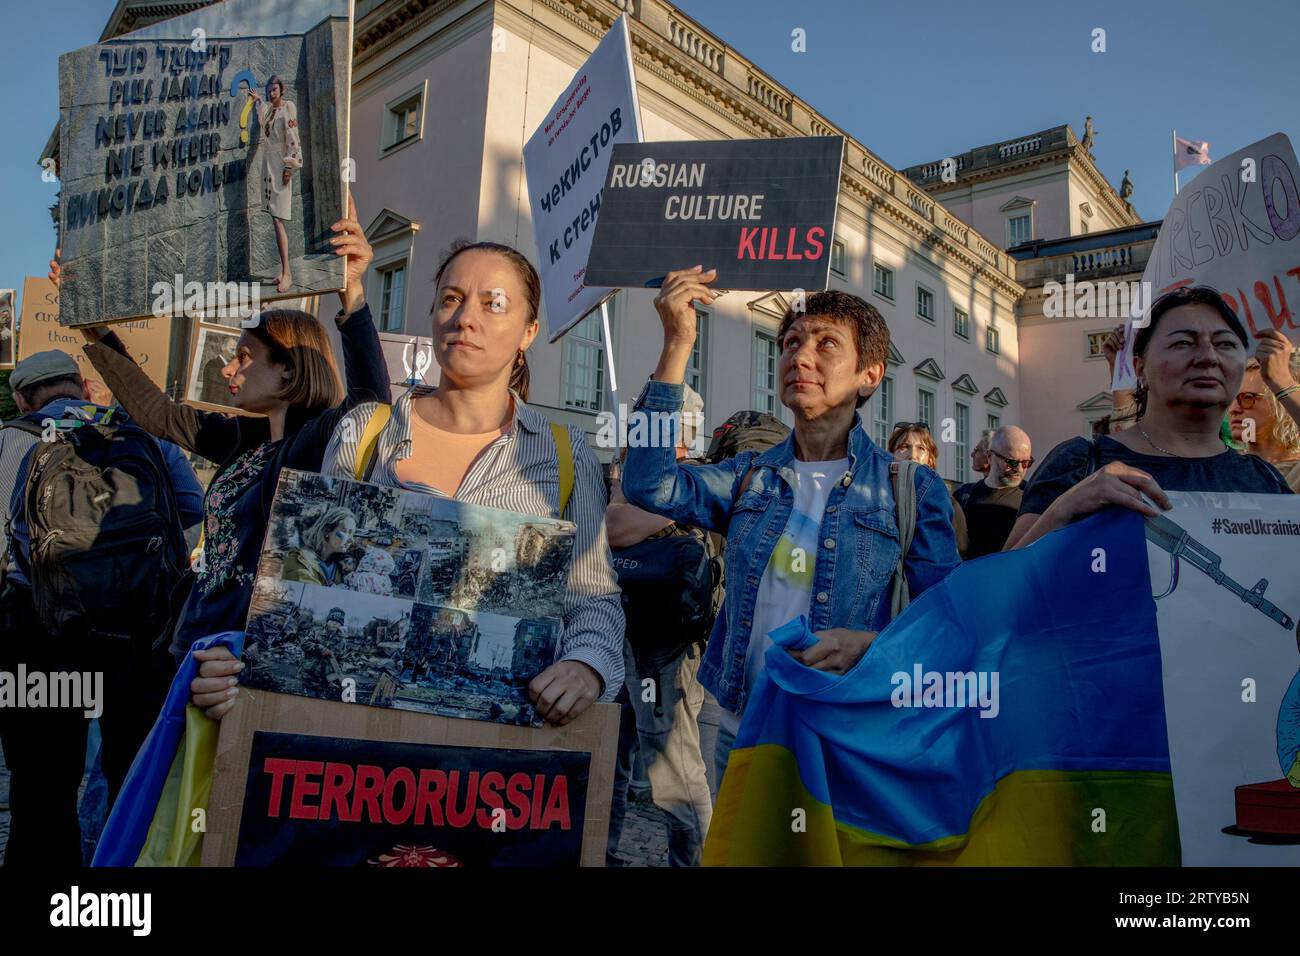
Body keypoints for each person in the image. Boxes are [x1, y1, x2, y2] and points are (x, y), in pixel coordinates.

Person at [52, 195, 390, 721]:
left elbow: (370, 401)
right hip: (192, 642)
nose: (229, 370)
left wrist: (353, 294)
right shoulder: (243, 439)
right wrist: (95, 328)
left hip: (240, 662)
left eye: (244, 357)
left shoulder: (316, 443)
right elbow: (159, 414)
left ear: (289, 371)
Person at [622, 271, 961, 784]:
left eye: (827, 344)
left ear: (870, 375)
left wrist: (867, 645)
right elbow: (650, 485)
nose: (800, 357)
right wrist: (677, 345)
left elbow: (947, 624)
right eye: (790, 343)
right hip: (744, 729)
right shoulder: (749, 475)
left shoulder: (908, 489)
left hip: (845, 735)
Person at [321, 239, 624, 727]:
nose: (465, 318)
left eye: (493, 304)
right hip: (353, 733)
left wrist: (586, 665)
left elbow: (592, 598)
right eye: (451, 298)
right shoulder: (364, 434)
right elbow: (311, 577)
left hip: (486, 759)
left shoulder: (565, 456)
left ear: (528, 331)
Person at [0, 351, 205, 867]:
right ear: (85, 388)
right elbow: (192, 510)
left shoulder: (12, 439)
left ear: (24, 397)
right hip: (137, 632)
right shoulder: (144, 436)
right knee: (132, 768)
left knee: (41, 776)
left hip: (41, 632)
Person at [1007, 286, 1293, 552]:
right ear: (1140, 369)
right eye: (1183, 343)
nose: (1208, 356)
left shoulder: (1264, 479)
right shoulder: (1080, 462)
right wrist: (1064, 509)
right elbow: (1002, 584)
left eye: (1225, 344)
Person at [605, 384, 715, 867]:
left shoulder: (692, 479)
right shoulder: (633, 470)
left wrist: (633, 506)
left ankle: (694, 861)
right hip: (620, 631)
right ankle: (599, 850)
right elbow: (607, 521)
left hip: (664, 647)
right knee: (610, 755)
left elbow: (614, 528)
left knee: (672, 766)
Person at [247, 75, 303, 293]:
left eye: (274, 89)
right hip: (268, 164)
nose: (272, 93)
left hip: (280, 164)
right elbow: (263, 120)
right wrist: (258, 101)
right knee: (274, 218)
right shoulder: (270, 110)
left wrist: (289, 166)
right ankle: (282, 271)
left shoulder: (288, 108)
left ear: (282, 89)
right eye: (269, 90)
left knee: (279, 219)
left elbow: (293, 137)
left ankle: (287, 272)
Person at [887, 421, 970, 556]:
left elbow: (960, 554)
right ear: (890, 455)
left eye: (921, 448)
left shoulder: (948, 504)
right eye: (904, 447)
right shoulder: (877, 500)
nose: (912, 455)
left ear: (930, 460)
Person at [1231, 332, 1300, 492]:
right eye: (1230, 399)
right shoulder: (1222, 469)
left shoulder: (1296, 473)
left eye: (1247, 398)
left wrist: (1281, 380)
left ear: (1281, 402)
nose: (1233, 409)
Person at [953, 425, 1033, 557]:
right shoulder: (963, 495)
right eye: (1011, 462)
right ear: (990, 456)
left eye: (1026, 463)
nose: (1019, 469)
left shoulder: (1032, 496)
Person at [281, 506, 358, 584]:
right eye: (347, 532)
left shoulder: (341, 566)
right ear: (327, 531)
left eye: (352, 534)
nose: (351, 540)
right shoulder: (299, 559)